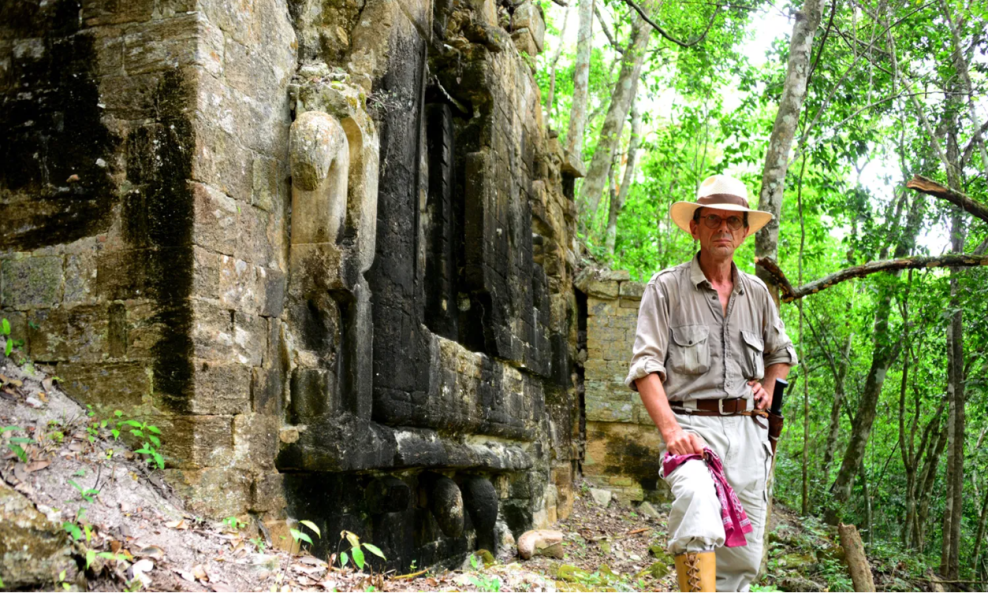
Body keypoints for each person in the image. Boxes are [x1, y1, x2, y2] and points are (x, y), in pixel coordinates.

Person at [625, 174, 798, 592]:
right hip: (691, 429)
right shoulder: (666, 288)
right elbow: (646, 366)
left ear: (742, 232)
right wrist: (672, 433)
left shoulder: (756, 294)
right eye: (714, 219)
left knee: (743, 556)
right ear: (695, 227)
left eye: (733, 221)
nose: (724, 228)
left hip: (747, 434)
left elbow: (782, 354)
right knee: (698, 506)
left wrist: (768, 390)